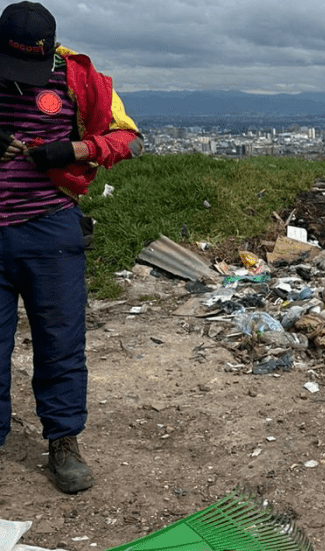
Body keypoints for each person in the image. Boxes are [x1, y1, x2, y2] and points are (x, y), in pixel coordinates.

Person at [0, 1, 142, 493]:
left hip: (50, 229)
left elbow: (130, 140)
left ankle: (63, 441)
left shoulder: (79, 78)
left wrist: (76, 149)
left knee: (60, 344)